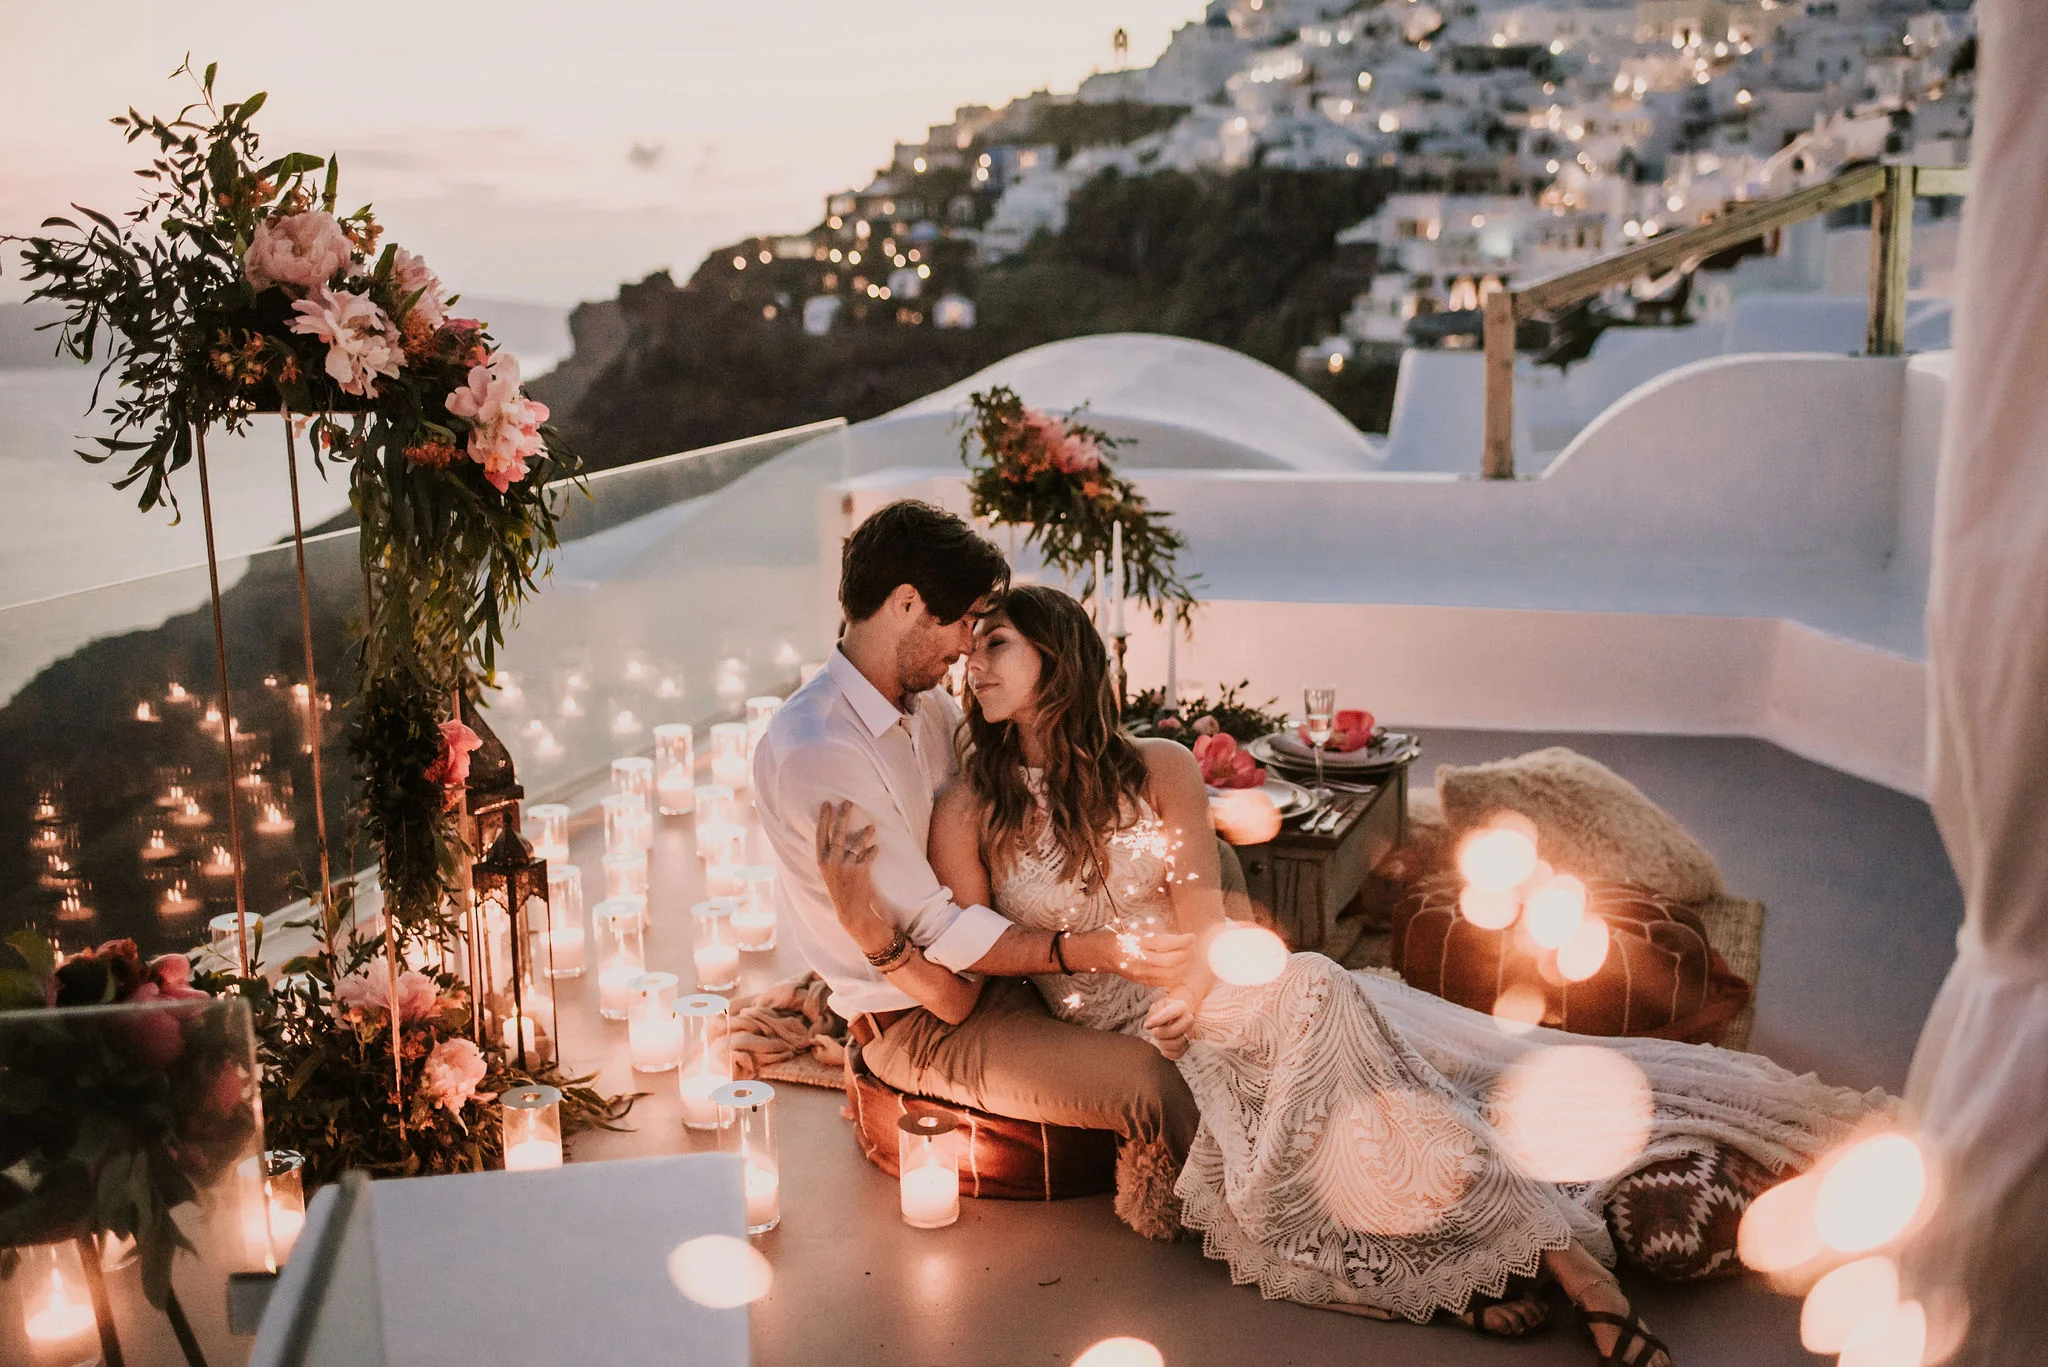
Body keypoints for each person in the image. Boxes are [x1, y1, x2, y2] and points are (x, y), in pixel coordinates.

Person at [817, 584, 1897, 1367]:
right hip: (1113, 1022)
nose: (974, 667)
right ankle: (1527, 1265)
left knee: (1323, 998)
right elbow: (986, 947)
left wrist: (1195, 984)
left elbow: (1199, 910)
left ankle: (1554, 1262)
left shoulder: (1160, 766)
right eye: (970, 654)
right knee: (1351, 1074)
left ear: (1056, 654)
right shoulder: (970, 808)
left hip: (1203, 996)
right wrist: (887, 931)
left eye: (995, 645)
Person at [753, 501, 1204, 1209]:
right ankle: (1259, 1212)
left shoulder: (924, 705)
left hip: (995, 973)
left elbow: (1024, 782)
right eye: (964, 622)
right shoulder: (821, 750)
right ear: (907, 605)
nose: (969, 648)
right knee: (1150, 1082)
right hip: (920, 1012)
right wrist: (1096, 948)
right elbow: (944, 954)